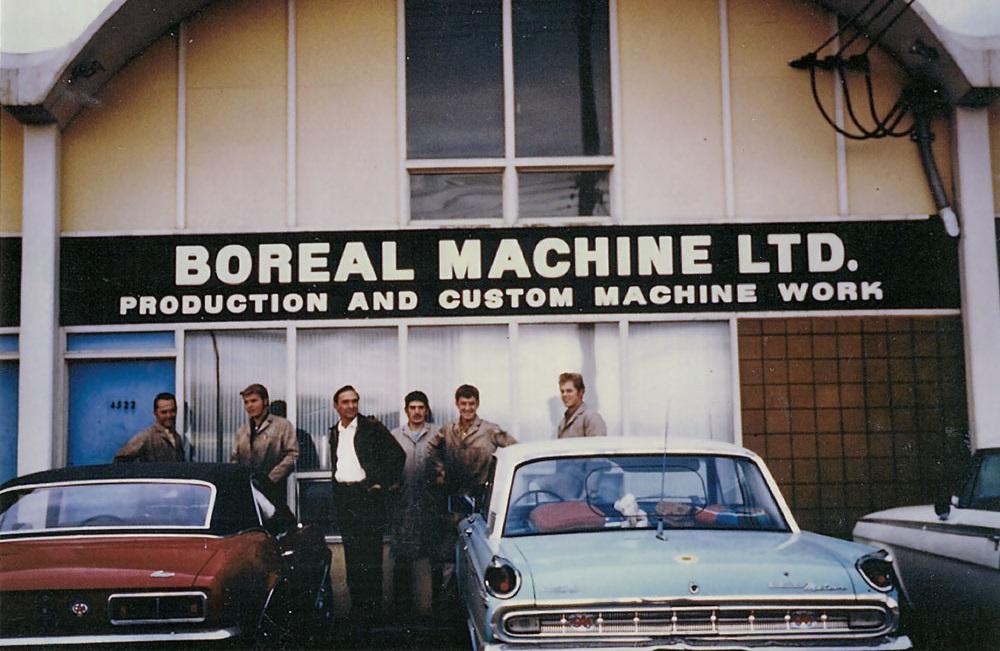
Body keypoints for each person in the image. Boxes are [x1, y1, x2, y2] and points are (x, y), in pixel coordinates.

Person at [429, 384, 516, 612]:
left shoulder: (489, 429)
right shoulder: (447, 430)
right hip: (454, 500)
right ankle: (448, 608)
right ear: (457, 404)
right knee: (450, 554)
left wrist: (498, 479)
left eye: (471, 403)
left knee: (478, 554)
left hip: (479, 501)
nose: (467, 408)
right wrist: (440, 472)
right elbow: (432, 449)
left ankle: (477, 607)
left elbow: (514, 448)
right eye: (463, 403)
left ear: (477, 404)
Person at [328, 385, 405, 631]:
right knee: (352, 555)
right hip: (345, 498)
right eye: (345, 402)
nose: (351, 406)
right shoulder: (335, 432)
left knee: (370, 556)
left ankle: (372, 614)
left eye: (354, 401)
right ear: (336, 406)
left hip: (366, 497)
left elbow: (398, 455)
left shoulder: (372, 428)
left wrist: (379, 483)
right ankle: (357, 611)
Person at [388, 390, 440, 623]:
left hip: (431, 506)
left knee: (435, 558)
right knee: (402, 560)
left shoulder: (438, 435)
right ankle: (402, 616)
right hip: (403, 507)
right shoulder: (394, 436)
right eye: (413, 407)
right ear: (406, 410)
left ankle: (437, 613)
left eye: (421, 407)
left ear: (426, 410)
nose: (417, 412)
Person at [230, 383, 299, 497]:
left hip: (275, 488)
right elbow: (234, 458)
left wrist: (270, 479)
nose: (249, 406)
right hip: (247, 489)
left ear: (265, 401)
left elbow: (292, 455)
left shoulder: (282, 425)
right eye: (246, 402)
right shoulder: (242, 430)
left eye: (254, 401)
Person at [113, 392, 186, 462]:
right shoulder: (146, 436)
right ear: (155, 413)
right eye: (164, 412)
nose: (169, 415)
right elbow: (119, 459)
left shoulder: (177, 437)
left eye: (172, 411)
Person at [555, 372, 607, 438]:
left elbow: (598, 447)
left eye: (569, 391)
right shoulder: (562, 423)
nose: (564, 395)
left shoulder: (592, 418)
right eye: (562, 391)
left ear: (580, 392)